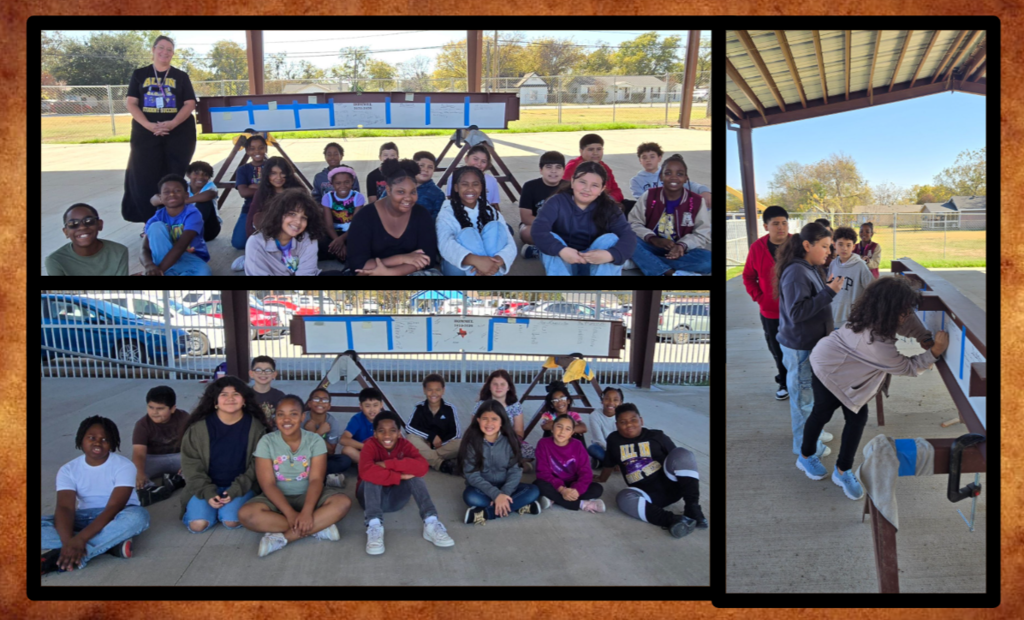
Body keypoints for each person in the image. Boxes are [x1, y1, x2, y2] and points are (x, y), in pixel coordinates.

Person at [796, 277, 947, 500]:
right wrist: (935, 351)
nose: (907, 315)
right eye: (904, 311)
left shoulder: (874, 314)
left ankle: (842, 470)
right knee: (823, 412)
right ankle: (806, 456)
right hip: (827, 370)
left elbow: (908, 321)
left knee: (856, 418)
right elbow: (908, 367)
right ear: (890, 310)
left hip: (840, 364)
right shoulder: (876, 343)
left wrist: (924, 336)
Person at [237, 395, 352, 557]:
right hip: (277, 497)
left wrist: (307, 511)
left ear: (302, 417)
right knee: (246, 515)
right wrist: (291, 514)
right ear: (275, 417)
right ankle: (318, 526)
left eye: (293, 414)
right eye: (281, 414)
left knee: (343, 502)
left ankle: (284, 538)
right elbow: (268, 483)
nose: (287, 419)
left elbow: (316, 479)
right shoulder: (267, 441)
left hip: (309, 494)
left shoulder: (314, 440)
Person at [41, 416, 150, 575]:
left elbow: (114, 507)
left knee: (139, 517)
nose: (97, 442)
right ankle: (110, 544)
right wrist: (70, 544)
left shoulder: (124, 466)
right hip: (83, 518)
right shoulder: (68, 470)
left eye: (104, 439)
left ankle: (61, 558)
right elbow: (65, 508)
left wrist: (80, 540)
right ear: (81, 439)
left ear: (112, 443)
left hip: (117, 515)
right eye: (91, 438)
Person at [774, 222, 844, 461]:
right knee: (804, 399)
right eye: (824, 246)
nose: (829, 251)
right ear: (807, 245)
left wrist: (826, 288)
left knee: (810, 395)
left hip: (809, 345)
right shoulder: (797, 272)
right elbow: (797, 313)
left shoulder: (809, 267)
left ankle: (814, 432)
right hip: (800, 347)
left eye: (829, 247)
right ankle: (804, 446)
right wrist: (829, 292)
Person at [597, 403, 707, 538]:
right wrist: (602, 478)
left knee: (683, 453)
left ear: (641, 420)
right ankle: (674, 520)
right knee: (623, 498)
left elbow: (677, 459)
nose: (629, 425)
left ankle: (692, 508)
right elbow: (609, 462)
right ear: (616, 425)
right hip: (646, 494)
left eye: (633, 420)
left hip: (671, 486)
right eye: (623, 422)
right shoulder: (614, 440)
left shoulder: (657, 436)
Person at [179, 376, 270, 534]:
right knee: (198, 525)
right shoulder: (198, 429)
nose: (230, 398)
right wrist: (207, 491)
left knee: (231, 520)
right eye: (223, 394)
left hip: (240, 487)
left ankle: (223, 511)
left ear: (244, 400)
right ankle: (205, 510)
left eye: (235, 394)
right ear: (215, 402)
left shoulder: (256, 428)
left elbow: (258, 465)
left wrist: (236, 489)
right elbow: (191, 465)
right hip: (206, 487)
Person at [121, 35, 197, 224]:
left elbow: (189, 103)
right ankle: (151, 221)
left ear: (173, 54)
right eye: (161, 48)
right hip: (146, 134)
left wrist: (172, 124)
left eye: (169, 49)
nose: (165, 52)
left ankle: (175, 219)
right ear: (153, 50)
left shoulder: (180, 76)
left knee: (173, 175)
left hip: (178, 133)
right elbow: (131, 103)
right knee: (145, 176)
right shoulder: (140, 74)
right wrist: (148, 125)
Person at [356, 411, 455, 555]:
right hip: (369, 499)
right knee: (372, 475)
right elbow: (366, 472)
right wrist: (399, 476)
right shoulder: (369, 445)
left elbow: (422, 467)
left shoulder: (405, 445)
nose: (387, 436)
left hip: (396, 500)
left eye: (392, 431)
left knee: (414, 475)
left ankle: (431, 521)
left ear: (398, 433)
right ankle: (374, 525)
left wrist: (388, 464)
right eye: (381, 431)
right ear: (375, 434)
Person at [532, 161, 636, 276]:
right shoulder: (556, 202)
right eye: (582, 182)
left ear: (602, 189)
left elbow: (628, 236)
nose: (587, 189)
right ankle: (563, 293)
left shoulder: (609, 207)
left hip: (594, 261)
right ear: (572, 182)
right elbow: (538, 230)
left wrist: (610, 255)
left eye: (594, 185)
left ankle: (601, 293)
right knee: (551, 239)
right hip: (565, 259)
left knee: (610, 239)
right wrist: (561, 250)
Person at [346, 158, 441, 276]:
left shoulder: (421, 215)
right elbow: (358, 265)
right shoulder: (365, 217)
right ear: (388, 190)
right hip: (372, 272)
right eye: (401, 192)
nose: (408, 198)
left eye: (413, 192)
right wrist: (401, 258)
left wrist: (391, 272)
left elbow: (428, 259)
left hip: (410, 271)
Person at [459, 400, 542, 524]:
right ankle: (520, 505)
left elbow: (515, 470)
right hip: (482, 489)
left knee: (534, 490)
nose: (489, 423)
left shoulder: (510, 440)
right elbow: (472, 475)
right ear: (478, 420)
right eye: (485, 418)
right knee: (470, 497)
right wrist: (496, 495)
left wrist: (504, 494)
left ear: (502, 421)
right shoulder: (471, 443)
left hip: (507, 487)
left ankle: (487, 513)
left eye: (494, 419)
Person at [628, 154, 712, 275]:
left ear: (686, 178)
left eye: (679, 174)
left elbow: (702, 233)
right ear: (661, 177)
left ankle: (644, 262)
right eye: (668, 173)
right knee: (627, 239)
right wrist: (653, 239)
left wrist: (682, 246)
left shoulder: (697, 201)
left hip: (681, 251)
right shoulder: (649, 195)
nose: (673, 177)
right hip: (651, 246)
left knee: (708, 261)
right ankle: (670, 272)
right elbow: (634, 223)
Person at [743, 205, 792, 400]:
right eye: (776, 224)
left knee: (801, 347)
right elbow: (748, 276)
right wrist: (760, 298)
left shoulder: (797, 244)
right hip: (770, 311)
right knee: (777, 349)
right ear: (766, 226)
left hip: (797, 310)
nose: (781, 227)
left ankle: (802, 381)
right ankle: (784, 382)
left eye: (784, 223)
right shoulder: (757, 248)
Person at [436, 165, 516, 276]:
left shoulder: (491, 210)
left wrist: (498, 261)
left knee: (495, 228)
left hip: (491, 266)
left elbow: (509, 242)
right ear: (456, 187)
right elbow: (445, 244)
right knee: (468, 233)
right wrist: (476, 261)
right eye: (464, 184)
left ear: (482, 187)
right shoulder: (447, 212)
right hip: (460, 269)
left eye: (475, 184)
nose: (470, 188)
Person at [245, 188, 342, 276]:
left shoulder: (308, 238)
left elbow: (306, 273)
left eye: (304, 218)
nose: (298, 222)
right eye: (292, 214)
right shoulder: (256, 243)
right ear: (279, 213)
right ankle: (244, 261)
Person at [130, 386, 189, 507]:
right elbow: (139, 453)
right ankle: (154, 490)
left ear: (172, 409)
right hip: (153, 458)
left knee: (202, 467)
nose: (154, 412)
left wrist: (188, 463)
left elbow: (194, 444)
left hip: (180, 456)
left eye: (160, 408)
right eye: (150, 407)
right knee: (130, 473)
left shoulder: (184, 418)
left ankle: (176, 480)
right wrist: (139, 473)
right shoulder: (142, 424)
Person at [140, 175, 211, 276]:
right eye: (166, 192)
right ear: (160, 197)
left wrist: (159, 271)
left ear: (186, 195)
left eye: (177, 191)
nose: (172, 194)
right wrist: (149, 266)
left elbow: (181, 246)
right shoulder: (156, 218)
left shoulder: (192, 214)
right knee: (156, 227)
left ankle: (166, 273)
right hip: (162, 258)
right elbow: (144, 249)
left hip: (188, 257)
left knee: (204, 273)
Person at [534, 414, 606, 513]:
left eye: (568, 429)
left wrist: (577, 490)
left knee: (597, 489)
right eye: (559, 426)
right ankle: (583, 504)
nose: (562, 431)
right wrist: (562, 490)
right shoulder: (543, 444)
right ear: (552, 428)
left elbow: (586, 472)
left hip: (573, 483)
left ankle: (554, 499)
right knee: (538, 485)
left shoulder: (578, 445)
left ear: (572, 433)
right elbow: (542, 472)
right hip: (554, 483)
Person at [45, 204, 129, 276]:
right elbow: (61, 295)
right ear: (66, 232)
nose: (82, 227)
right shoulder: (55, 261)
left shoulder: (119, 252)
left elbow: (120, 293)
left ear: (99, 224)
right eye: (73, 224)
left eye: (89, 221)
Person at [404, 374, 462, 475]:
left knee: (461, 443)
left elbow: (456, 434)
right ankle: (440, 464)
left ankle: (426, 457)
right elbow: (409, 427)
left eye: (438, 390)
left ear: (443, 390)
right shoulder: (419, 407)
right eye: (430, 389)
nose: (434, 393)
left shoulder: (449, 408)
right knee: (410, 439)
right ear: (424, 390)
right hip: (424, 443)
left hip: (443, 446)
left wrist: (438, 444)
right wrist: (431, 437)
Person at [473, 369, 534, 461]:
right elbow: (474, 427)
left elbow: (519, 430)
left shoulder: (515, 405)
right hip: (485, 440)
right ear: (489, 386)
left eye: (502, 384)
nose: (498, 387)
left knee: (529, 451)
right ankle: (511, 463)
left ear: (508, 387)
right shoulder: (481, 404)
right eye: (495, 384)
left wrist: (507, 442)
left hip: (508, 440)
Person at [629, 142, 712, 205]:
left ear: (659, 158)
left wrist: (704, 191)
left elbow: (691, 185)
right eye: (644, 157)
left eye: (652, 156)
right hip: (654, 212)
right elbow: (642, 200)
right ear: (640, 160)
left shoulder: (670, 174)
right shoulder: (636, 181)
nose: (648, 160)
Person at [518, 150, 565, 260]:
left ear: (564, 170)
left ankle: (541, 251)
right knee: (526, 232)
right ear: (541, 170)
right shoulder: (530, 186)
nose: (554, 171)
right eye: (549, 167)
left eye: (558, 167)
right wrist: (551, 227)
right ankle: (560, 249)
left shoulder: (569, 187)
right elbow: (525, 217)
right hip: (539, 226)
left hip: (563, 227)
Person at [245, 156, 307, 238]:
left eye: (282, 173)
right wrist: (253, 238)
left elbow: (307, 217)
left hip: (295, 233)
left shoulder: (298, 191)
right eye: (273, 173)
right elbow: (251, 219)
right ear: (267, 175)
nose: (278, 177)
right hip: (270, 234)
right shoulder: (261, 193)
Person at [304, 387, 353, 488]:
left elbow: (331, 451)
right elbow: (297, 448)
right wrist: (318, 433)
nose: (320, 402)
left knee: (345, 460)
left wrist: (315, 433)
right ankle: (324, 478)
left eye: (325, 400)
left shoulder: (332, 422)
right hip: (302, 458)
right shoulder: (301, 419)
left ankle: (310, 476)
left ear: (329, 406)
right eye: (316, 399)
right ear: (309, 403)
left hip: (322, 459)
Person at [828, 226, 876, 328]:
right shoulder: (833, 264)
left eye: (848, 245)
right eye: (840, 244)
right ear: (834, 245)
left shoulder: (860, 266)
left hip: (852, 320)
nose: (844, 248)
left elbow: (873, 290)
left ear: (853, 247)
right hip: (834, 318)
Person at [318, 165, 366, 262]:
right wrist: (338, 241)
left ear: (352, 182)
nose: (343, 186)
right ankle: (342, 252)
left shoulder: (358, 197)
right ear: (332, 184)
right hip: (333, 234)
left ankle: (338, 253)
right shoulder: (328, 197)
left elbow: (355, 225)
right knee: (319, 243)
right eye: (338, 183)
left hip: (352, 233)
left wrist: (341, 240)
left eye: (347, 182)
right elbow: (329, 226)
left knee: (363, 242)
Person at [561, 133, 624, 203]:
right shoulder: (573, 167)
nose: (595, 153)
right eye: (591, 149)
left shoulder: (605, 167)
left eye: (599, 149)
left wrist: (609, 200)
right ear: (581, 151)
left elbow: (617, 191)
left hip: (604, 204)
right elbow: (566, 192)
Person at [232, 132, 268, 250]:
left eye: (261, 148)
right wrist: (267, 187)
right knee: (238, 243)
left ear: (266, 149)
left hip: (272, 207)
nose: (257, 152)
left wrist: (253, 187)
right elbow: (244, 193)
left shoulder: (272, 165)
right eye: (252, 149)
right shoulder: (243, 170)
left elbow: (281, 189)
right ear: (247, 151)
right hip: (249, 208)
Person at [444, 144, 502, 208]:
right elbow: (450, 199)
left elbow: (494, 203)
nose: (479, 164)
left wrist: (499, 217)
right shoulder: (454, 178)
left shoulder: (492, 180)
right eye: (475, 159)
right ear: (466, 158)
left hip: (485, 216)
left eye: (483, 161)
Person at [338, 387, 385, 466]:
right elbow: (343, 439)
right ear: (360, 406)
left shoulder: (386, 419)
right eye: (367, 406)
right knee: (347, 450)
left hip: (382, 452)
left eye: (375, 405)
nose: (372, 409)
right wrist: (366, 447)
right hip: (362, 452)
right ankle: (377, 466)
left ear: (381, 405)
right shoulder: (357, 419)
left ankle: (372, 465)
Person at [538, 380, 587, 444]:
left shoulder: (574, 415)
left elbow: (583, 428)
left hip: (571, 445)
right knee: (550, 432)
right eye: (555, 400)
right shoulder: (549, 415)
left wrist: (560, 427)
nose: (560, 402)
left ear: (568, 401)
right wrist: (570, 426)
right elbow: (545, 426)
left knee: (578, 434)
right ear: (551, 405)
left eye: (563, 398)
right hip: (554, 445)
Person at [587, 387, 622, 470]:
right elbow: (599, 440)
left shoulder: (623, 415)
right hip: (603, 447)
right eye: (607, 399)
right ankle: (614, 464)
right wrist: (615, 456)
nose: (611, 402)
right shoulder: (595, 415)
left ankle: (605, 463)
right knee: (592, 449)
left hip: (620, 449)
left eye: (615, 400)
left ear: (620, 403)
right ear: (602, 401)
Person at [249, 356, 285, 428]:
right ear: (251, 373)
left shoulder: (280, 396)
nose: (263, 373)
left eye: (268, 370)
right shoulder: (245, 395)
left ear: (274, 374)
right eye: (258, 370)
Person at [413, 151, 446, 221]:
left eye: (430, 167)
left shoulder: (438, 194)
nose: (425, 170)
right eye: (421, 166)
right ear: (413, 166)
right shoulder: (400, 185)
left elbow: (437, 220)